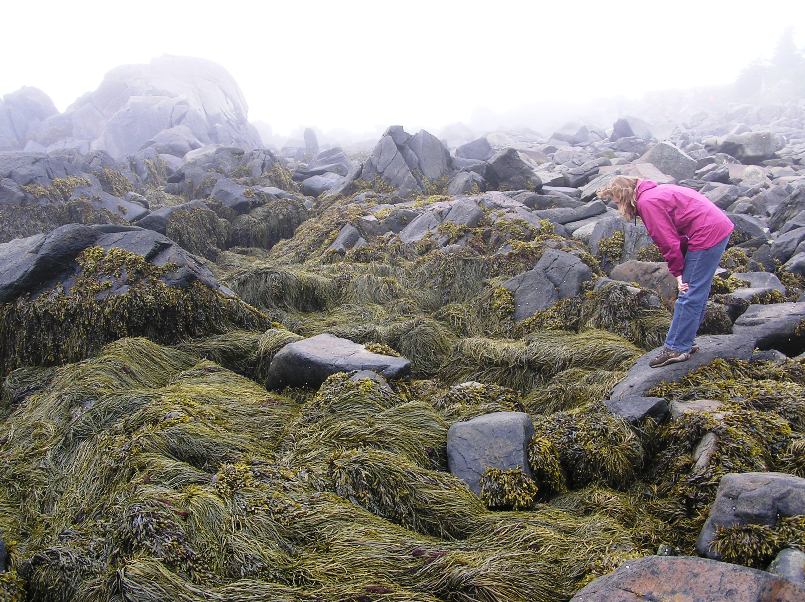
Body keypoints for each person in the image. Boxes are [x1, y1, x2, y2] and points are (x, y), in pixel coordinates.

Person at [597, 176, 734, 368]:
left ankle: (676, 348)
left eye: (617, 202)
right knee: (697, 290)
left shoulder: (647, 202)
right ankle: (685, 341)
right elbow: (680, 227)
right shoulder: (653, 193)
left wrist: (677, 274)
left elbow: (668, 242)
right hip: (716, 227)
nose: (617, 206)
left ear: (626, 196)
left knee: (689, 291)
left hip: (707, 233)